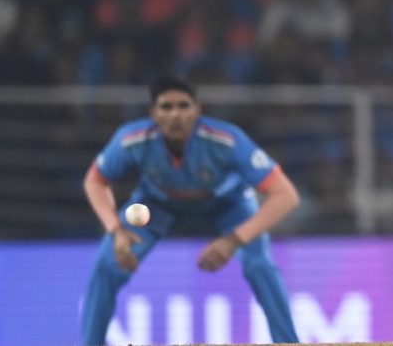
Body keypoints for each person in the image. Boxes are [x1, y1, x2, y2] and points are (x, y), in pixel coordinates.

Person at [79, 75, 301, 345]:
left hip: (227, 204)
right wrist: (115, 231)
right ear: (153, 114)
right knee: (107, 263)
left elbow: (286, 195)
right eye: (166, 107)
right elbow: (95, 180)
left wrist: (234, 240)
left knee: (260, 264)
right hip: (154, 205)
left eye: (183, 106)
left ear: (198, 110)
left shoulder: (227, 140)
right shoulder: (131, 139)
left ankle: (288, 343)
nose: (175, 115)